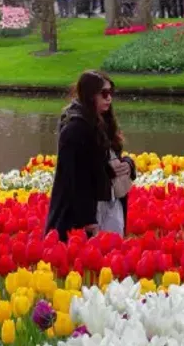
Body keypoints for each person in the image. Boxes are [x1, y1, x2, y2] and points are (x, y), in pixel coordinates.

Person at [45, 71, 135, 240]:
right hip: (90, 211)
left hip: (111, 201)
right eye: (104, 94)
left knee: (112, 258)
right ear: (90, 95)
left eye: (111, 93)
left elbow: (111, 158)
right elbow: (74, 178)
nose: (109, 98)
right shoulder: (74, 129)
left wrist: (128, 165)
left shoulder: (105, 121)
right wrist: (87, 219)